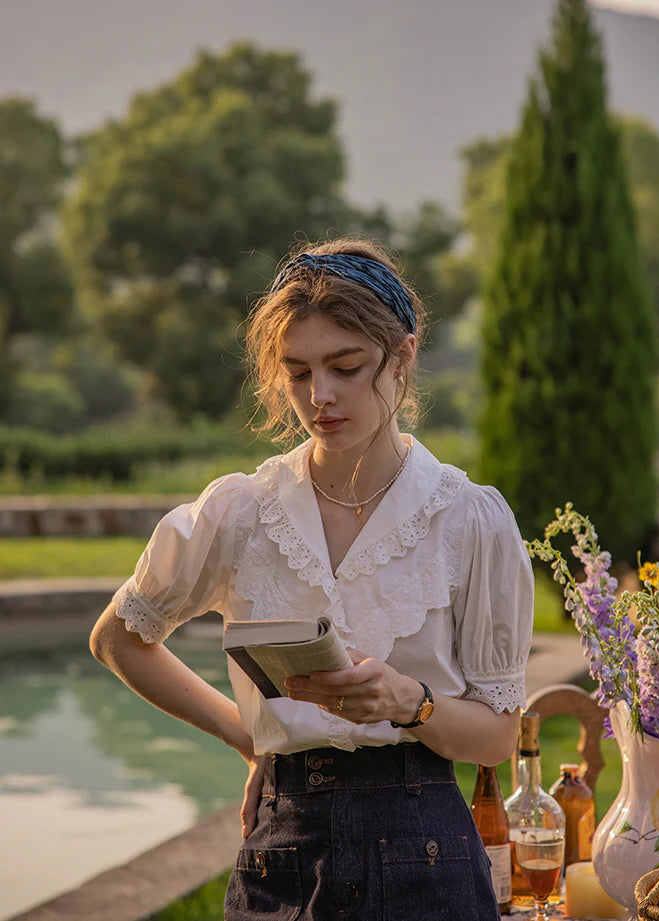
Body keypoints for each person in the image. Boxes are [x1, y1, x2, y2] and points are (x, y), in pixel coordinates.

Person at [89, 237, 534, 921]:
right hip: (281, 849)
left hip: (426, 851)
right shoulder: (241, 512)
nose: (318, 395)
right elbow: (120, 639)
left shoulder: (466, 518)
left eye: (345, 366)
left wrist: (406, 698)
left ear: (403, 356)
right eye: (296, 372)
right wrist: (248, 735)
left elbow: (496, 738)